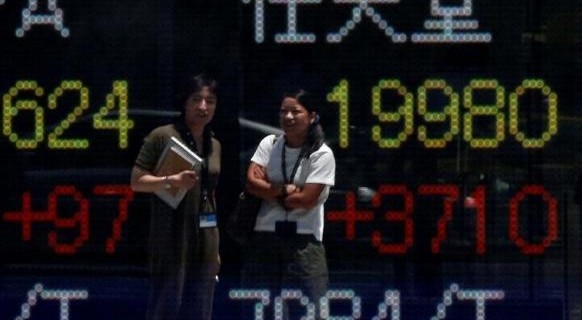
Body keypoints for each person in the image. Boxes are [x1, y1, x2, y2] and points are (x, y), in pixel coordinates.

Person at [130, 74, 221, 320]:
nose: (203, 107)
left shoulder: (214, 144)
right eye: (197, 99)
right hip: (171, 234)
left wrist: (215, 245)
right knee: (168, 303)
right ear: (185, 102)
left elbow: (209, 194)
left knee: (201, 306)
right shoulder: (162, 135)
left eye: (210, 101)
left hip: (205, 234)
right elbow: (136, 182)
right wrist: (170, 181)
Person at [242, 89, 336, 319]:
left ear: (312, 116)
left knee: (311, 310)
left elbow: (306, 200)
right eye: (284, 111)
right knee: (261, 309)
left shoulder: (321, 154)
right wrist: (285, 190)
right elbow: (252, 183)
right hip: (264, 238)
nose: (288, 117)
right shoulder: (269, 144)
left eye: (296, 111)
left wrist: (270, 191)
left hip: (304, 242)